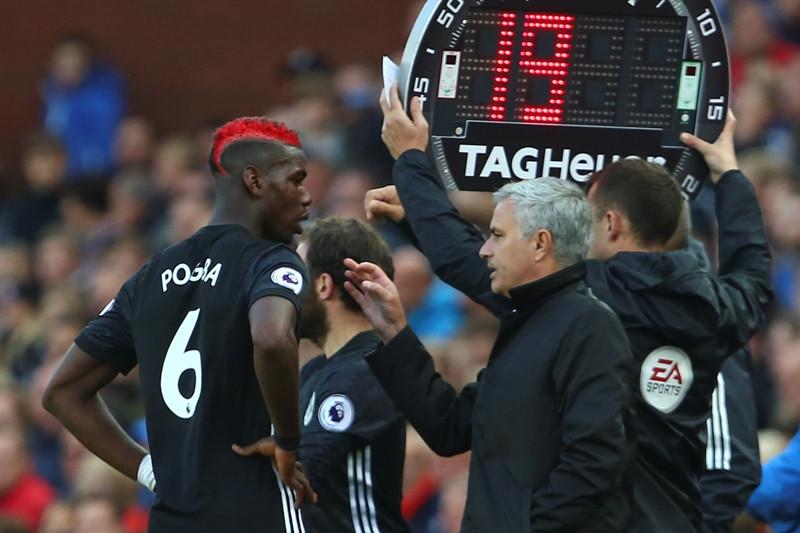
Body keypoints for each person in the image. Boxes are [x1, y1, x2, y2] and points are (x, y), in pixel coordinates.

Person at [368, 85, 772, 532]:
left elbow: (463, 257)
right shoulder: (721, 309)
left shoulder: (579, 297)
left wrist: (411, 163)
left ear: (612, 224)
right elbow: (752, 269)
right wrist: (730, 174)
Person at [42, 116, 316, 533]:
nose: (307, 197)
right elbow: (272, 336)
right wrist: (289, 442)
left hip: (173, 516)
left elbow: (63, 392)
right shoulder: (269, 262)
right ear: (255, 182)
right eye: (296, 180)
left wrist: (148, 471)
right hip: (254, 505)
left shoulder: (150, 276)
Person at [350, 177, 636, 532]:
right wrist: (395, 333)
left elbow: (593, 463)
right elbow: (450, 429)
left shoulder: (589, 326)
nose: (485, 250)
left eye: (497, 236)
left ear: (540, 244)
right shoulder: (528, 321)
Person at [233, 217, 410, 532]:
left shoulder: (368, 371)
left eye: (296, 278)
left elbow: (302, 471)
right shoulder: (318, 370)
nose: (286, 295)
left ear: (323, 285)